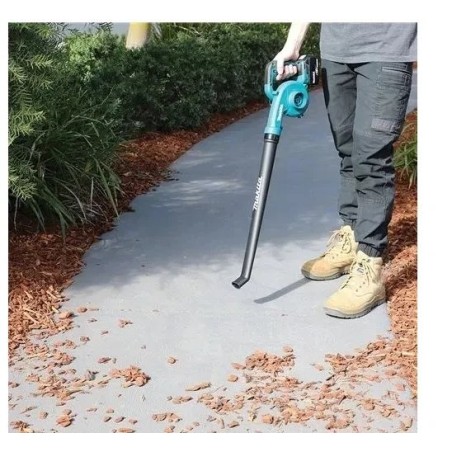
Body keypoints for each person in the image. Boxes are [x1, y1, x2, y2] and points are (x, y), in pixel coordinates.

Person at [274, 23, 417, 319]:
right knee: (348, 150)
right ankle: (352, 236)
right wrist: (293, 44)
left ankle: (370, 263)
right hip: (336, 49)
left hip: (387, 47)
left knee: (372, 158)